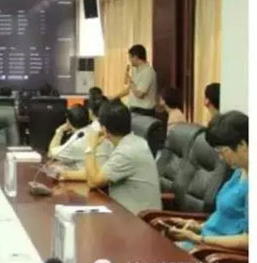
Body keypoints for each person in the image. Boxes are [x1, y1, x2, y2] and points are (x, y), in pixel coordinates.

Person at [164, 111, 248, 252]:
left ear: (242, 144)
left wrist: (198, 239)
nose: (220, 157)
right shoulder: (240, 170)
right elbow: (227, 219)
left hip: (213, 252)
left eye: (223, 151)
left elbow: (247, 241)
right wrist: (198, 226)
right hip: (205, 241)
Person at [83, 99, 162, 214]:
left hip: (139, 220)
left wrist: (90, 147)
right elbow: (97, 173)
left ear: (104, 130)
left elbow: (93, 182)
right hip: (127, 214)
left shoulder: (126, 152)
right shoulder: (135, 141)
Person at [55, 95, 113, 180]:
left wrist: (67, 175)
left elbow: (96, 176)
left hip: (96, 181)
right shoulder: (99, 131)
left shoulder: (88, 135)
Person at [113, 44, 157, 117]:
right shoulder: (135, 70)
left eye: (130, 58)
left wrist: (129, 80)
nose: (129, 60)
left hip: (144, 111)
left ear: (136, 57)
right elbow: (129, 90)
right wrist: (114, 97)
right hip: (134, 109)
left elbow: (140, 94)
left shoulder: (148, 72)